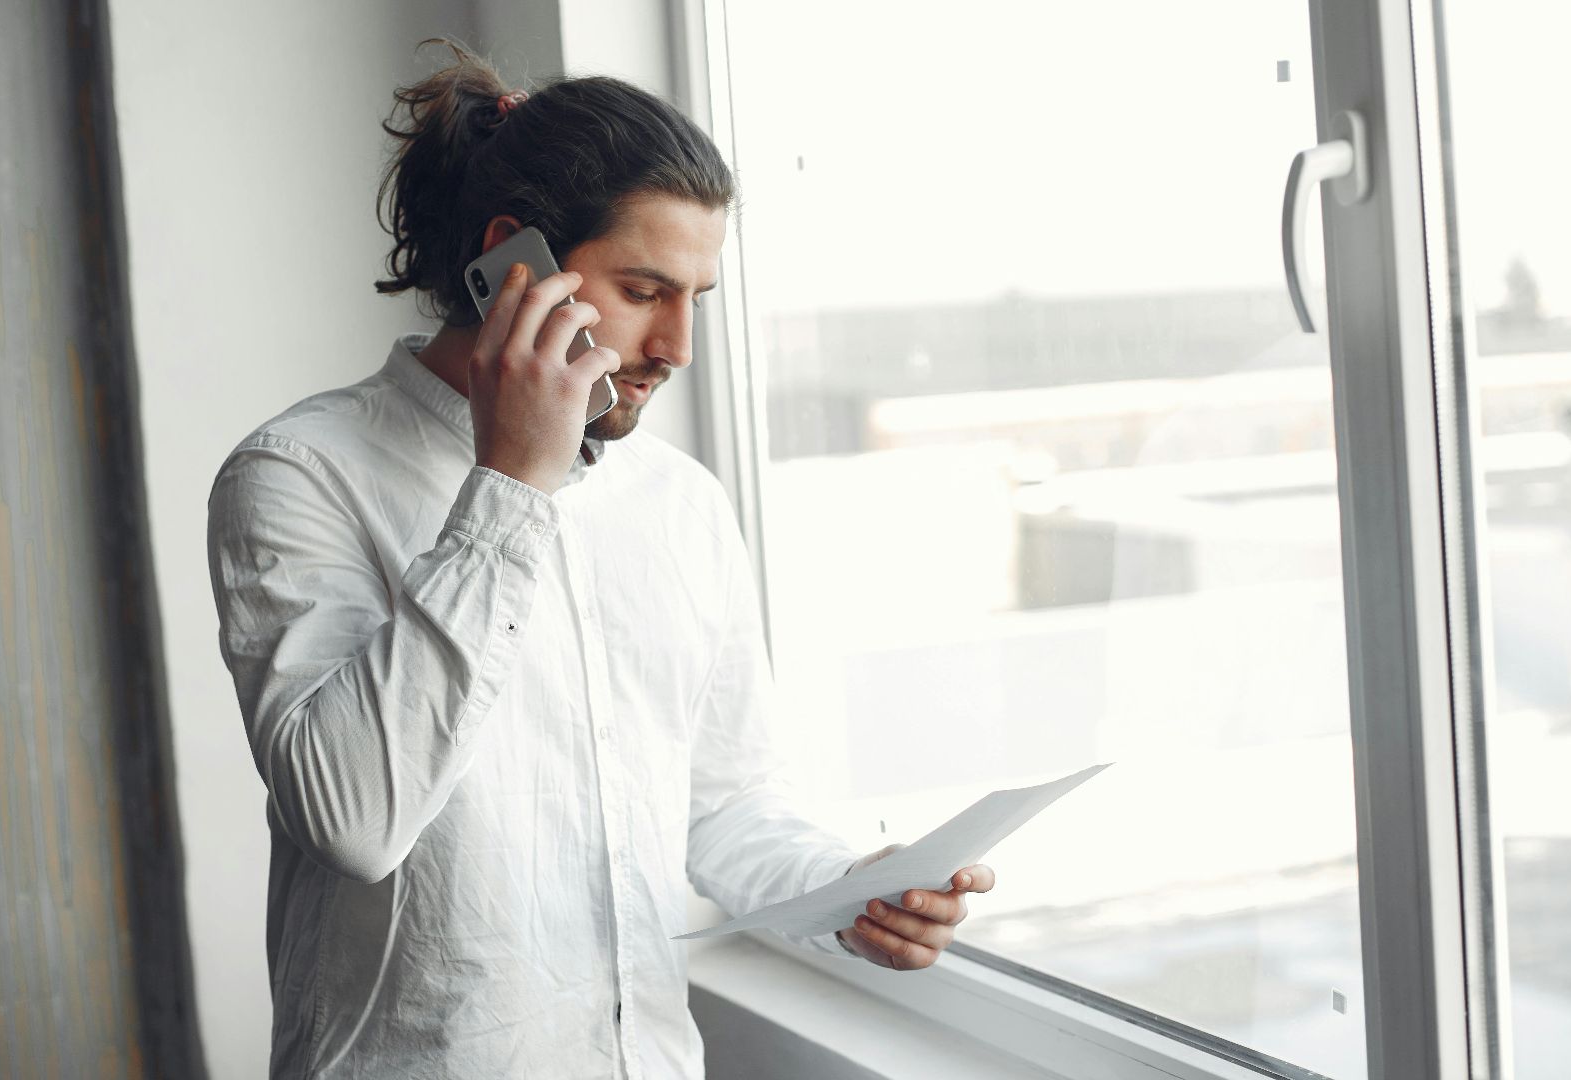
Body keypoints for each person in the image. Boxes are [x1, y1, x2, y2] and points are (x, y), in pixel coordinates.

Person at [205, 40, 995, 1079]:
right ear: (513, 263)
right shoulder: (298, 474)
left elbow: (726, 801)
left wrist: (851, 890)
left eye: (696, 299)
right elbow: (354, 818)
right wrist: (511, 488)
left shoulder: (681, 506)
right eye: (643, 289)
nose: (678, 345)